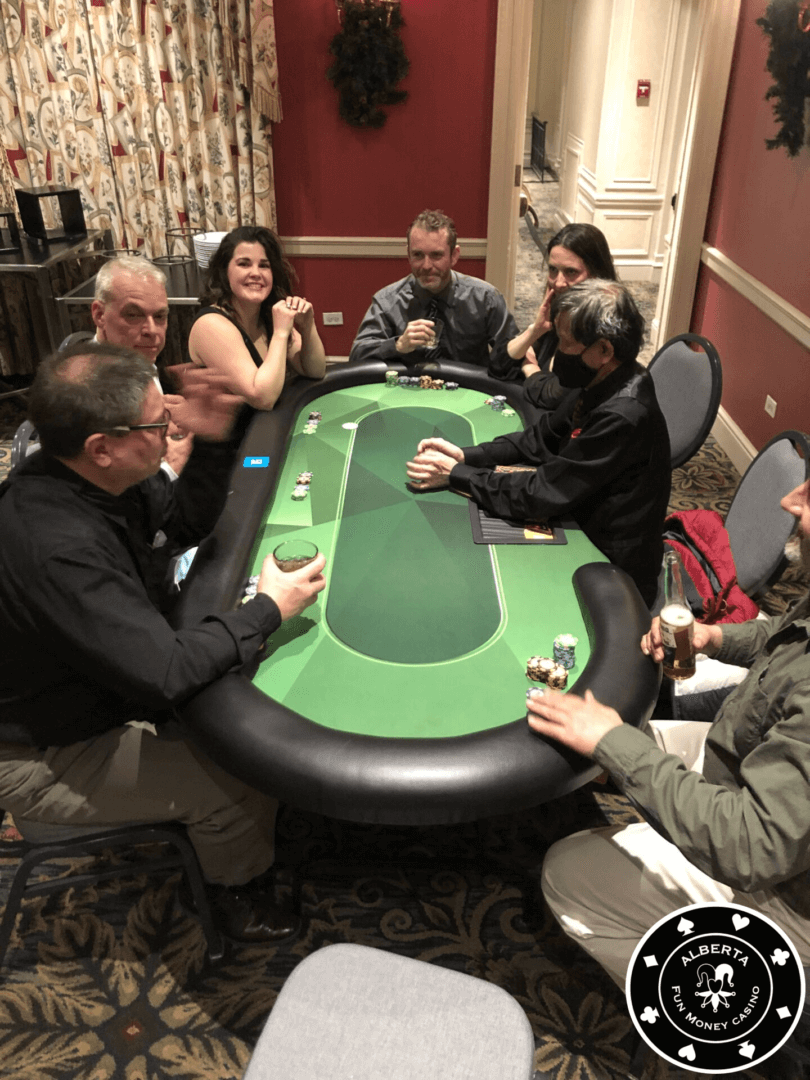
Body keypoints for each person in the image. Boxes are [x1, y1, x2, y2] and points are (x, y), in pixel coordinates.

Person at [0, 343, 327, 943]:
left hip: (98, 693)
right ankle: (235, 897)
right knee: (239, 770)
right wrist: (268, 609)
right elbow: (167, 670)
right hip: (41, 754)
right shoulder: (56, 544)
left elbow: (180, 524)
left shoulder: (96, 478)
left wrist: (216, 437)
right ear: (103, 447)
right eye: (158, 423)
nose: (170, 426)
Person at [529, 476, 810, 989]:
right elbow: (786, 632)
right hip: (746, 764)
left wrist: (610, 741)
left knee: (564, 873)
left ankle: (714, 1011)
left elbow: (752, 845)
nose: (789, 500)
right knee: (624, 741)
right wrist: (714, 636)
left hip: (781, 890)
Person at [406, 279, 670, 608]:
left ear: (604, 350)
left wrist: (457, 474)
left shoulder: (624, 415)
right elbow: (541, 438)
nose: (558, 353)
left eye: (566, 343)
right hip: (582, 522)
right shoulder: (595, 377)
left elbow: (542, 493)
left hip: (611, 567)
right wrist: (466, 455)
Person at [348, 209, 520, 374]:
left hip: (468, 393)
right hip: (406, 393)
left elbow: (513, 353)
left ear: (454, 255)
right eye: (418, 255)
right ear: (408, 255)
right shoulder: (387, 301)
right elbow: (357, 355)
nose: (426, 266)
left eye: (436, 255)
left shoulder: (485, 298)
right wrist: (398, 345)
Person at [188, 225, 326, 417]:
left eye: (264, 265)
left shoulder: (269, 316)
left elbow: (315, 370)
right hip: (232, 445)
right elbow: (263, 398)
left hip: (266, 432)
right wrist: (280, 333)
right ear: (224, 272)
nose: (256, 273)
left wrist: (308, 325)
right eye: (244, 264)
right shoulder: (211, 325)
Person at [495, 224, 617, 420]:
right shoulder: (559, 310)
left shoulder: (603, 326)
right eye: (553, 270)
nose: (558, 283)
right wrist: (534, 331)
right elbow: (499, 365)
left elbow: (555, 397)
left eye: (571, 272)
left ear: (596, 275)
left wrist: (530, 368)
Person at [92, 254, 191, 476]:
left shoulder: (133, 355)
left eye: (160, 317)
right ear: (99, 315)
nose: (151, 330)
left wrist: (163, 421)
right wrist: (172, 468)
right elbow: (107, 490)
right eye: (133, 315)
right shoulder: (90, 391)